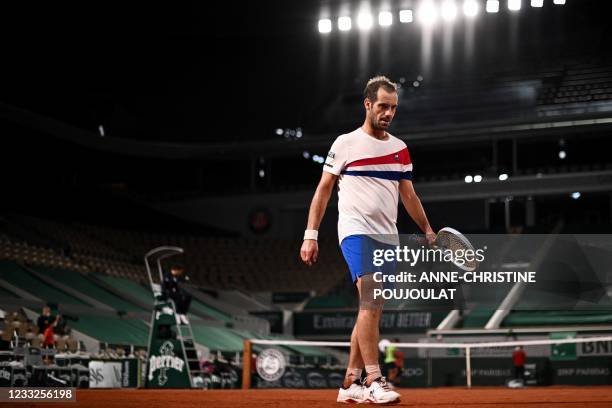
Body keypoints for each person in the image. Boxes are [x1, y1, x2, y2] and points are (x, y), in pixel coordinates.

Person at [300, 76, 435, 404]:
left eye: (393, 108)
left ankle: (350, 383)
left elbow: (409, 195)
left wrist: (428, 229)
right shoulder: (345, 143)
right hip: (355, 230)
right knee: (371, 300)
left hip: (388, 236)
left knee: (371, 310)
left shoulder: (400, 149)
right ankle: (375, 379)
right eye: (383, 106)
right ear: (368, 105)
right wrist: (310, 234)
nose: (389, 112)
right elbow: (323, 189)